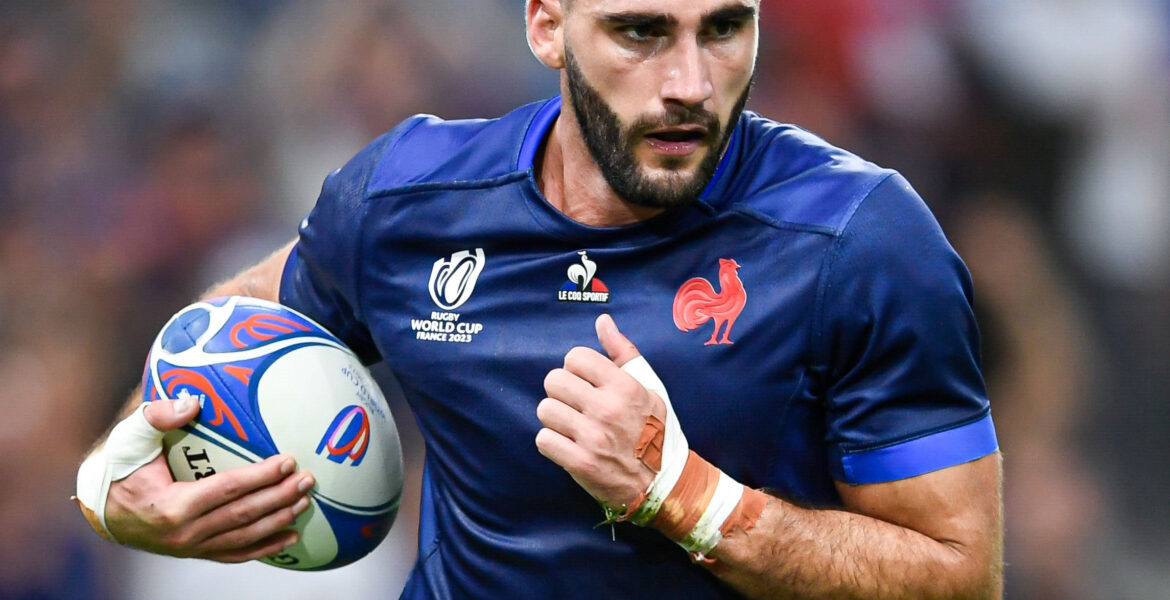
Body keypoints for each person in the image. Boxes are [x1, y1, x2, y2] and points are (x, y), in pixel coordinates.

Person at [76, 1, 1003, 597]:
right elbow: (232, 325)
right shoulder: (408, 201)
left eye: (725, 28)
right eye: (641, 32)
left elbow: (961, 574)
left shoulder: (859, 239)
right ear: (547, 26)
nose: (690, 84)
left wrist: (688, 497)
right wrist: (112, 488)